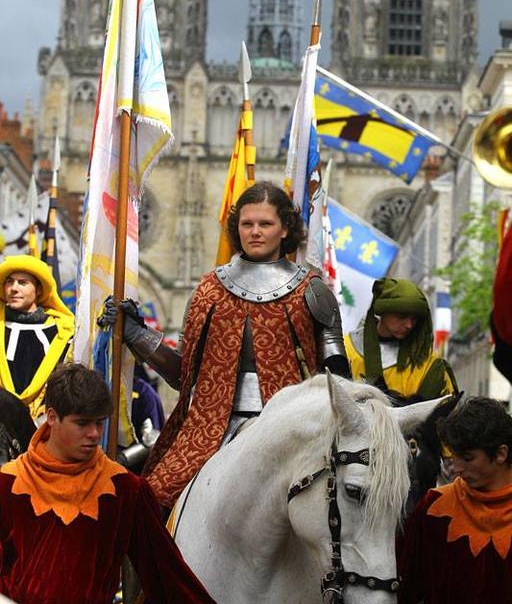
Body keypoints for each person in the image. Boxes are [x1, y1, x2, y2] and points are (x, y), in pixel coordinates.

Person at [109, 181, 349, 507]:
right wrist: (137, 335)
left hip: (293, 431)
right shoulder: (210, 288)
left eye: (265, 224)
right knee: (151, 500)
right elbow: (183, 373)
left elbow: (338, 377)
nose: (255, 232)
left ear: (285, 229)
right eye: (246, 224)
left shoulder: (313, 290)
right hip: (210, 430)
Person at [0, 362, 215, 604]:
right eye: (82, 423)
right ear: (52, 417)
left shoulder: (124, 489)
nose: (94, 434)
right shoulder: (7, 484)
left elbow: (167, 575)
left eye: (99, 423)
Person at [398, 396, 512, 603]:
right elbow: (405, 589)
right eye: (455, 456)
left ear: (501, 454)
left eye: (467, 458)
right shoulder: (434, 508)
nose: (457, 468)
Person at [345, 277, 457, 402]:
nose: (409, 325)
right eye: (402, 316)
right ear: (383, 312)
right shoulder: (345, 349)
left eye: (414, 319)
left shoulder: (429, 366)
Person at [0, 255, 74, 419]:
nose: (14, 288)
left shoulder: (62, 334)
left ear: (39, 289)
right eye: (9, 281)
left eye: (23, 282)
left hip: (46, 428)